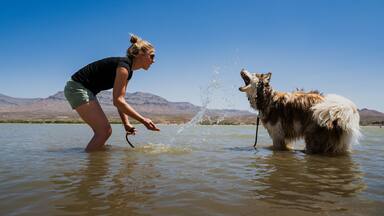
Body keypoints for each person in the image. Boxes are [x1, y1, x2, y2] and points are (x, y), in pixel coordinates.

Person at [64, 34, 160, 152]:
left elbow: (120, 100)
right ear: (141, 54)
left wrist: (126, 124)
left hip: (82, 89)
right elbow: (118, 101)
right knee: (104, 131)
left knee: (102, 133)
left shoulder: (128, 71)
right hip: (77, 88)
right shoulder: (123, 67)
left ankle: (95, 161)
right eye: (152, 56)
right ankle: (90, 166)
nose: (153, 61)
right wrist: (143, 120)